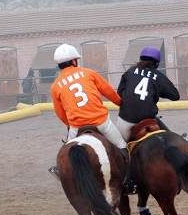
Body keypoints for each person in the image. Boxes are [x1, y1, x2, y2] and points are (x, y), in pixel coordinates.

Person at [48, 44, 133, 191]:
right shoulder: (89, 73)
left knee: (66, 155)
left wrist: (69, 125)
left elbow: (60, 112)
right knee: (122, 146)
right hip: (101, 122)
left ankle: (61, 172)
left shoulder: (55, 86)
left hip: (77, 126)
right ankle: (129, 181)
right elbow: (108, 92)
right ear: (74, 61)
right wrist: (120, 103)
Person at [116, 46, 180, 141]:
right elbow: (175, 96)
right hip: (148, 119)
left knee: (121, 146)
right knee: (170, 139)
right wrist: (157, 91)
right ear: (157, 63)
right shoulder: (159, 76)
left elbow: (120, 92)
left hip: (126, 119)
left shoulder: (130, 71)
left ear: (140, 59)